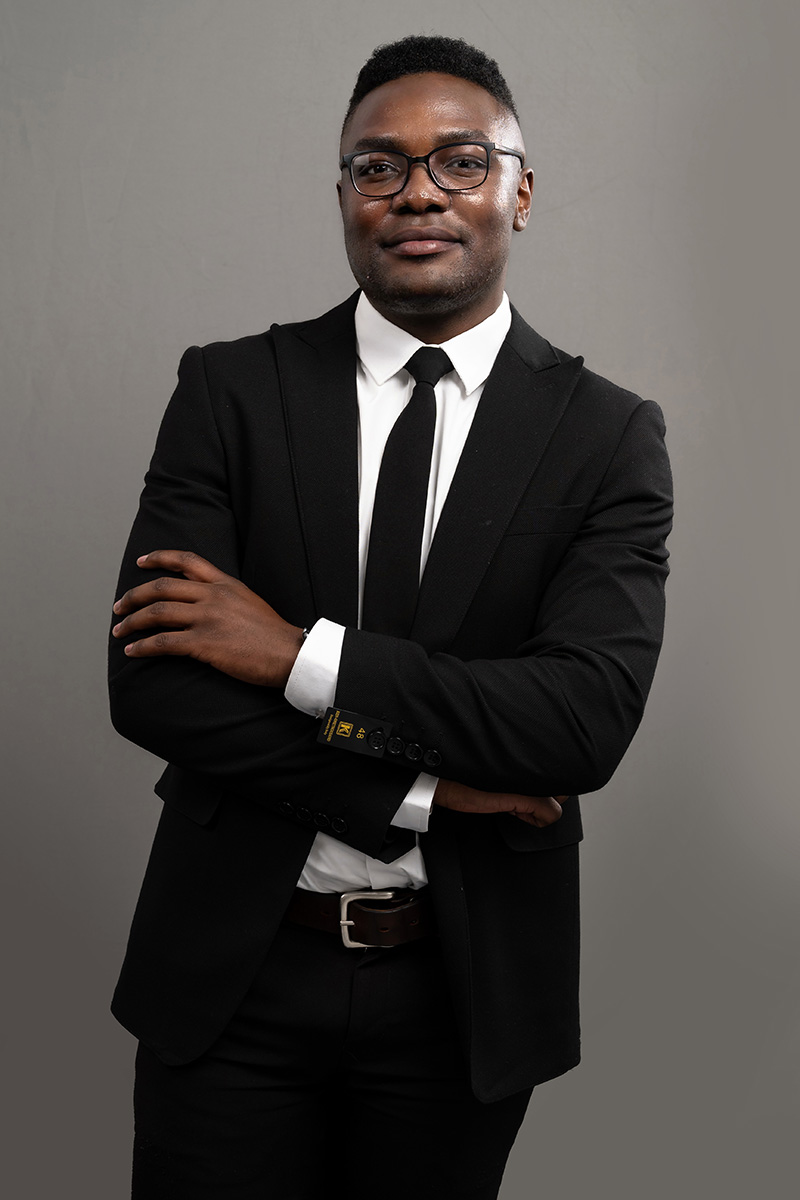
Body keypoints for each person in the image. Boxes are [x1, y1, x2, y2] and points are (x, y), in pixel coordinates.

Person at [109, 34, 672, 1200]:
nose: (417, 191)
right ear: (344, 197)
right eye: (379, 166)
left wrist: (292, 654)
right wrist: (426, 791)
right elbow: (153, 685)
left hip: (459, 994)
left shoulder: (605, 434)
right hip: (233, 977)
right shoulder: (232, 390)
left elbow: (578, 723)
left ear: (520, 191)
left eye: (459, 161)